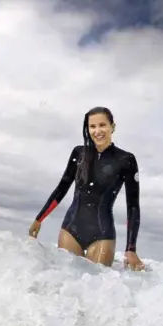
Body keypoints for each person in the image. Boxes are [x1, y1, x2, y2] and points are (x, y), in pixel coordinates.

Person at [29, 107, 145, 271]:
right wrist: (39, 219)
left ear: (113, 126)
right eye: (92, 126)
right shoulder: (79, 153)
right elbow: (62, 188)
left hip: (102, 235)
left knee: (96, 290)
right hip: (70, 230)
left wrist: (131, 248)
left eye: (102, 125)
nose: (97, 131)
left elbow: (132, 206)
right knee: (65, 284)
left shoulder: (126, 160)